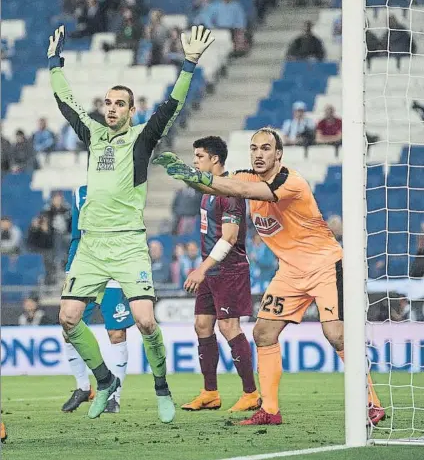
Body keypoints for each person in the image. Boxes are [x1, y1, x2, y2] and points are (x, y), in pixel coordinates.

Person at [154, 127, 386, 426]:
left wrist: (203, 178)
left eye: (265, 148)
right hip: (289, 272)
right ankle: (270, 410)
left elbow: (243, 191)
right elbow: (217, 187)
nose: (258, 154)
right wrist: (185, 174)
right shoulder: (247, 175)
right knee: (263, 333)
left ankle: (372, 403)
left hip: (325, 265)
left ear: (278, 154)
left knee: (335, 335)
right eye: (254, 149)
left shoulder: (290, 181)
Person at [47, 24, 214, 421]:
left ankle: (161, 387)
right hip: (91, 245)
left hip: (126, 244)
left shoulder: (142, 138)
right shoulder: (94, 135)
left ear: (130, 109)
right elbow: (65, 101)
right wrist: (55, 63)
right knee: (67, 318)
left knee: (145, 322)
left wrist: (188, 64)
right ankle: (104, 381)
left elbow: (170, 107)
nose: (111, 108)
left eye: (119, 103)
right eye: (107, 102)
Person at [177, 136, 260, 413]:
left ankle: (251, 393)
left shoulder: (230, 192)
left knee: (228, 327)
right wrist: (182, 175)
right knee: (202, 325)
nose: (195, 160)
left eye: (199, 156)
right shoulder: (208, 190)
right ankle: (210, 392)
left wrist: (201, 268)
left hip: (228, 269)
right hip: (211, 270)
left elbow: (230, 237)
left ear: (215, 159)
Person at [62, 185, 135, 414]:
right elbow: (76, 236)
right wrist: (69, 270)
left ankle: (115, 396)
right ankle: (83, 387)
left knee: (116, 333)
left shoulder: (124, 188)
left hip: (114, 269)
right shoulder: (79, 193)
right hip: (85, 269)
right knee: (68, 327)